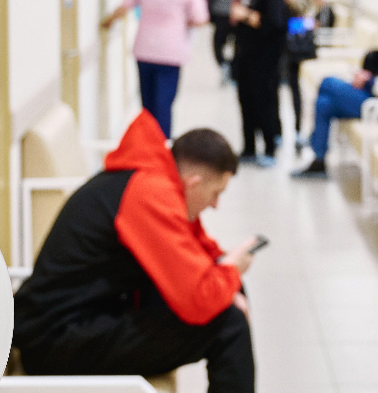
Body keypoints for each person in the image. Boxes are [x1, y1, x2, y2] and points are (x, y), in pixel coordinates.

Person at [13, 111, 258, 393]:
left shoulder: (154, 174)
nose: (215, 205)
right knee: (228, 323)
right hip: (56, 340)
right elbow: (198, 299)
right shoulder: (149, 194)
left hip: (84, 317)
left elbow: (196, 248)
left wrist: (227, 276)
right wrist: (231, 272)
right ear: (194, 183)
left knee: (226, 290)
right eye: (216, 193)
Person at [293, 1, 378, 179]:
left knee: (328, 82)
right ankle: (318, 161)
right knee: (324, 104)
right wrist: (368, 77)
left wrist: (368, 82)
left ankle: (314, 141)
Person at [103, 0, 209, 138]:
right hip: (171, 52)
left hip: (145, 50)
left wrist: (106, 22)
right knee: (164, 104)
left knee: (148, 104)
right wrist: (182, 21)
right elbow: (200, 19)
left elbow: (124, 7)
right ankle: (162, 145)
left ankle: (148, 144)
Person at [230, 0, 288, 167]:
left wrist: (246, 16)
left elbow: (274, 24)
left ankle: (270, 148)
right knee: (245, 101)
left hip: (264, 58)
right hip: (245, 54)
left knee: (264, 102)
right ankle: (249, 148)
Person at [266, 0, 313, 143]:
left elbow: (305, 3)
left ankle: (297, 130)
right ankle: (275, 130)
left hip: (292, 34)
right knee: (272, 84)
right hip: (270, 36)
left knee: (294, 84)